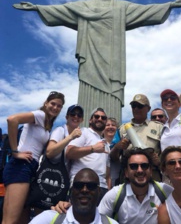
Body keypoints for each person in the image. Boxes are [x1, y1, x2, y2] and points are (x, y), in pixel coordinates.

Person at [13, 0, 181, 126]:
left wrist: (170, 5)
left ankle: (109, 134)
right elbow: (62, 11)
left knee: (112, 93)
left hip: (112, 63)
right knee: (87, 89)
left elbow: (144, 11)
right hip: (90, 57)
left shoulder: (120, 7)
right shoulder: (85, 6)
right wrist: (37, 8)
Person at [2, 91, 65, 224]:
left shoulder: (47, 124)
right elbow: (12, 120)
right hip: (21, 166)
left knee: (21, 219)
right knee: (11, 220)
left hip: (30, 167)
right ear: (46, 103)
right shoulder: (40, 115)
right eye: (53, 103)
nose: (55, 107)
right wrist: (15, 151)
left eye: (59, 106)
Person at [29, 168, 118, 224]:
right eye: (79, 185)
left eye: (91, 186)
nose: (84, 190)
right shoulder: (49, 219)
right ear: (71, 192)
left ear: (99, 192)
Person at [110, 94, 163, 181]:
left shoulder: (159, 127)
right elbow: (112, 158)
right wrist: (117, 147)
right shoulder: (122, 129)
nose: (136, 109)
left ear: (148, 109)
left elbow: (167, 156)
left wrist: (158, 161)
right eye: (133, 106)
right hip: (128, 177)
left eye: (140, 106)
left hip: (152, 176)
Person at [66, 108, 111, 203]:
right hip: (82, 184)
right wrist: (93, 148)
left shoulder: (106, 144)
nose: (100, 119)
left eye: (103, 118)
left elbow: (107, 174)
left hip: (101, 188)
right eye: (96, 116)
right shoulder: (84, 132)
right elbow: (69, 152)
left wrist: (108, 190)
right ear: (90, 120)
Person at [102, 117, 120, 187]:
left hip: (117, 182)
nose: (110, 127)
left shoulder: (121, 146)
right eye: (107, 125)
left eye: (113, 125)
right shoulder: (98, 144)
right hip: (102, 182)